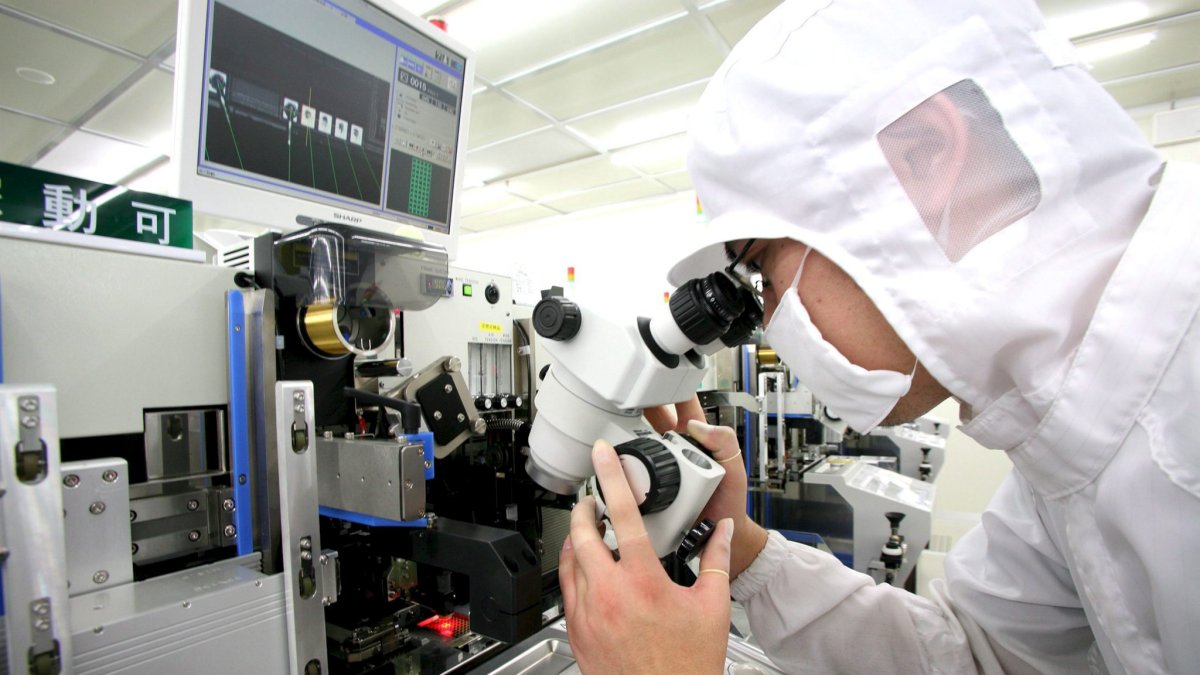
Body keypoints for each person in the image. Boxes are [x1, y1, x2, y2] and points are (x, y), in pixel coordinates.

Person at [557, 0, 1200, 673]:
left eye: (763, 271)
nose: (768, 314)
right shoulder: (1063, 433)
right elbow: (979, 655)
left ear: (927, 155)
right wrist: (738, 547)